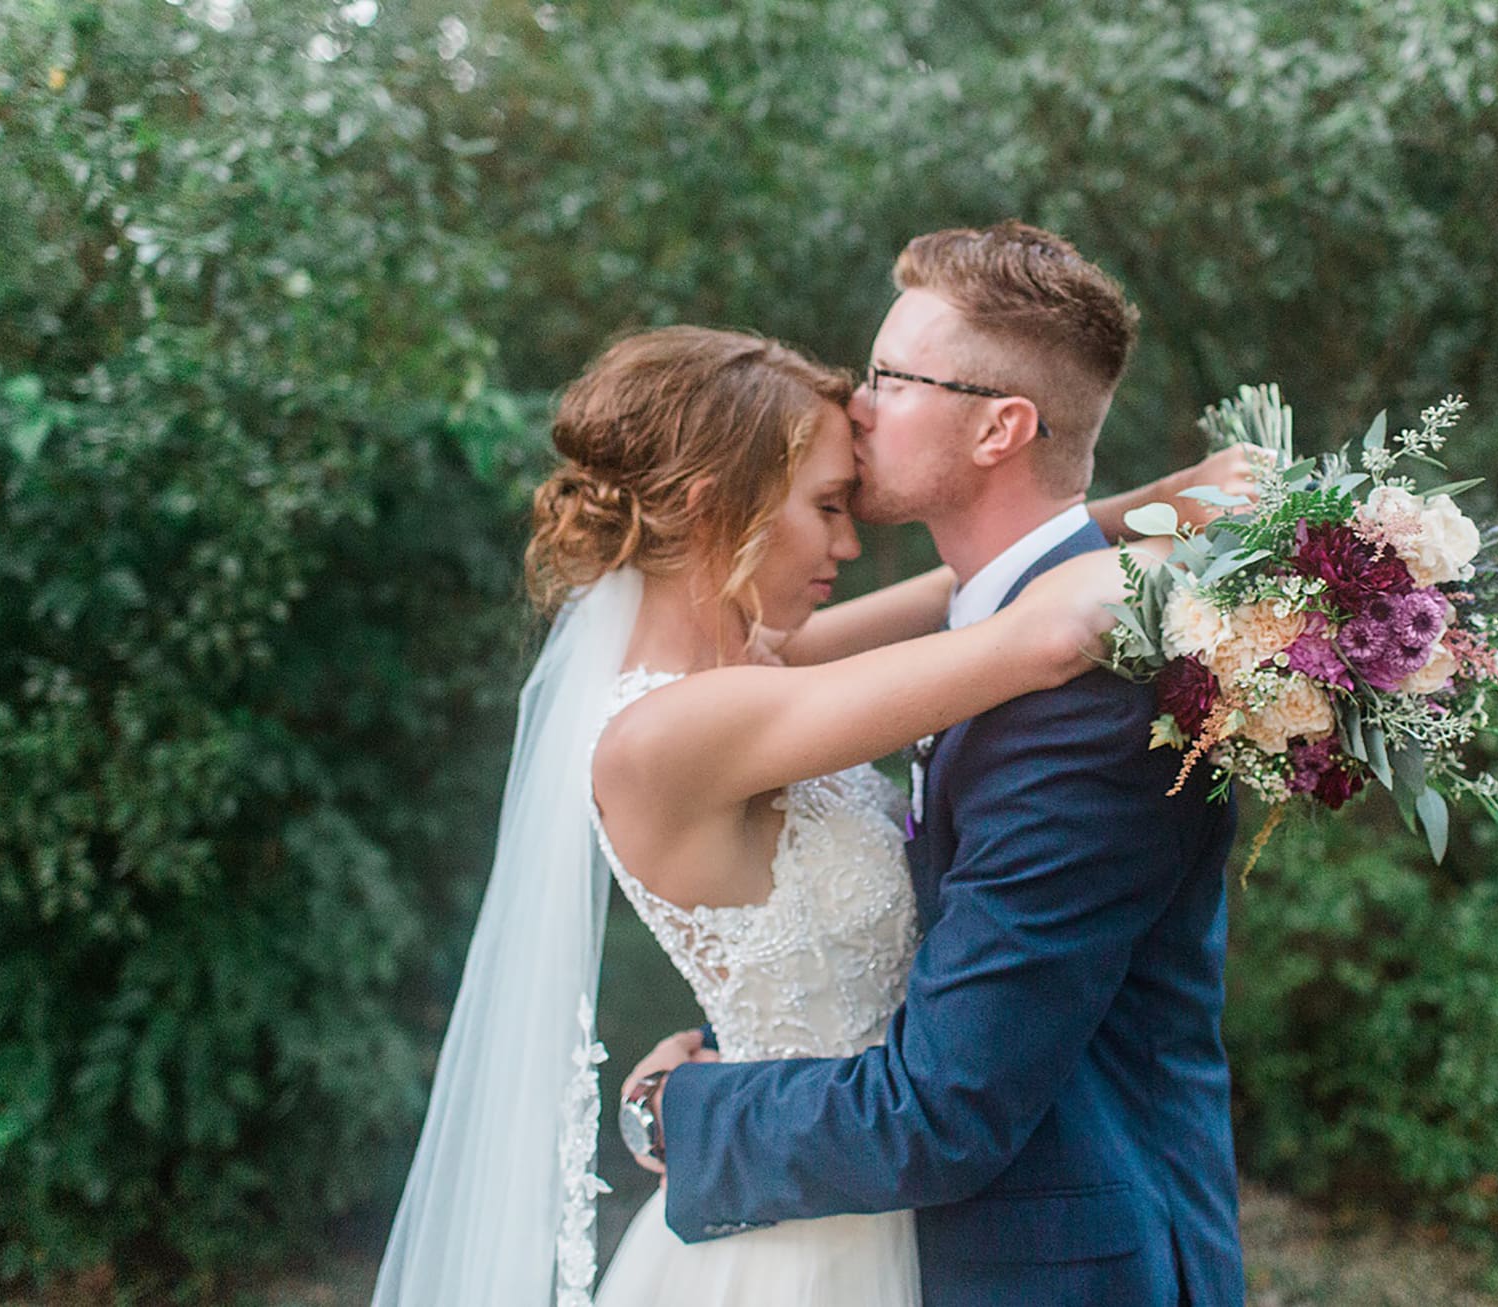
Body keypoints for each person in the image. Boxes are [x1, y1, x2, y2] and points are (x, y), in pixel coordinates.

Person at [368, 316, 1254, 1307]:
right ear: (713, 507)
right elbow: (1044, 636)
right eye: (828, 505)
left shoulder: (748, 665)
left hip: (867, 1188)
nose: (847, 537)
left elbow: (961, 593)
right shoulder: (674, 732)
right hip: (806, 1241)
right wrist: (1275, 571)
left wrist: (1158, 505)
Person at [624, 223, 1249, 1307]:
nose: (855, 405)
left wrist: (678, 1109)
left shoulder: (1087, 690)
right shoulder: (993, 626)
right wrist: (1136, 509)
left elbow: (943, 1108)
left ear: (1001, 426)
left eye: (887, 377)